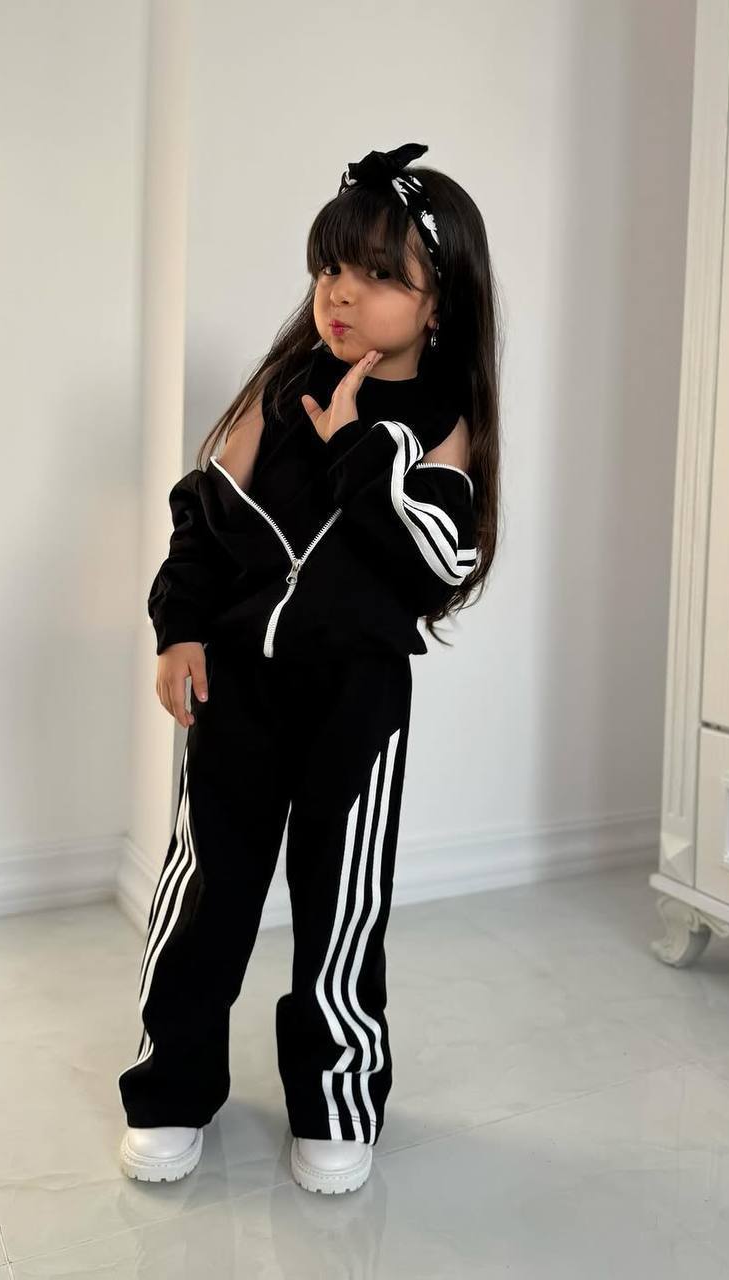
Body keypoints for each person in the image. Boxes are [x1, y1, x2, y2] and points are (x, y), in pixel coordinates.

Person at [117, 142, 501, 1194]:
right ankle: (171, 1087)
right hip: (238, 688)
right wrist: (179, 630)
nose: (342, 292)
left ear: (437, 302)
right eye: (331, 268)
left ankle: (334, 1101)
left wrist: (354, 451)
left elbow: (437, 559)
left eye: (379, 274)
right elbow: (201, 520)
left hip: (357, 701)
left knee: (340, 910)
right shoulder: (279, 391)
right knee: (207, 896)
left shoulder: (444, 425)